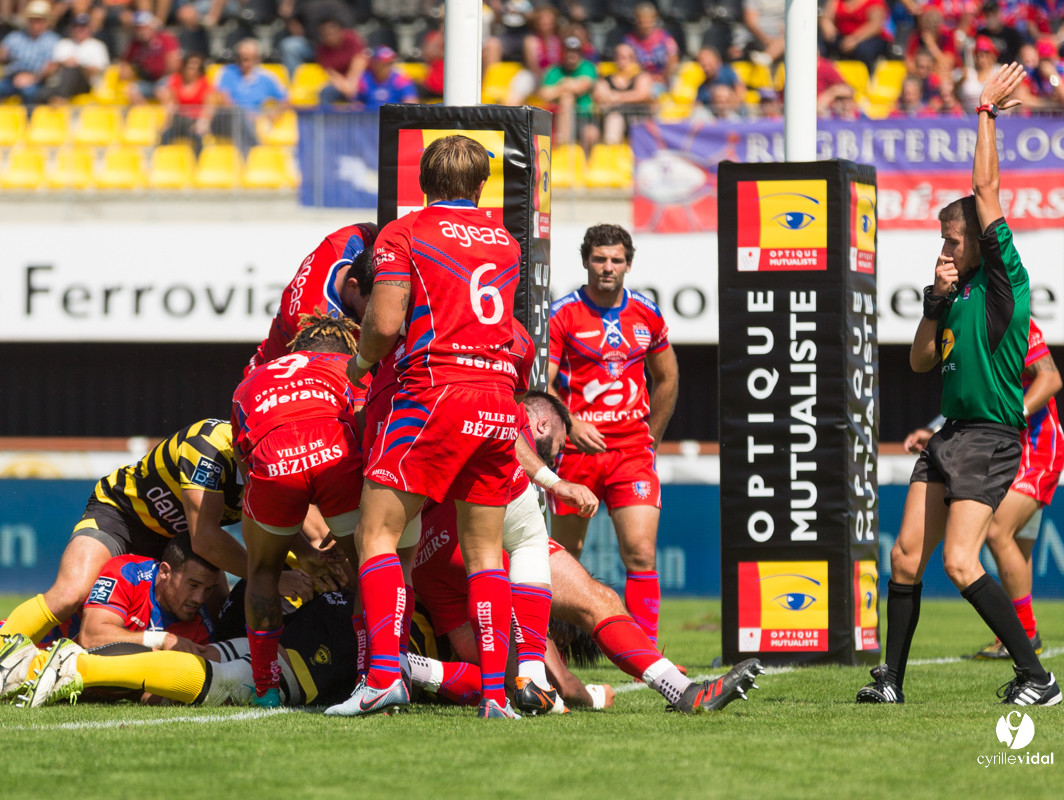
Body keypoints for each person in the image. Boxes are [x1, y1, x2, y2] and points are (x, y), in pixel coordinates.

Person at [857, 61, 1063, 708]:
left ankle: (1038, 677)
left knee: (962, 563)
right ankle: (891, 681)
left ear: (979, 239)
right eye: (941, 240)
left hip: (992, 438)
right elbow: (921, 362)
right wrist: (932, 303)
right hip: (951, 437)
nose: (943, 248)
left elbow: (987, 187)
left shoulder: (1004, 279)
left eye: (951, 240)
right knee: (906, 558)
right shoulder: (952, 293)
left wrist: (984, 113)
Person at [327, 135, 524, 719]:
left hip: (435, 392)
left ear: (422, 182)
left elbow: (385, 324)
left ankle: (383, 677)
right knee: (486, 550)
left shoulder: (405, 231)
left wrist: (359, 367)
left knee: (377, 535)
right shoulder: (506, 242)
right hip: (497, 398)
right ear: (483, 185)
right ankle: (496, 695)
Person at [0, 419, 244, 706]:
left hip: (178, 539)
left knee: (222, 621)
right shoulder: (209, 445)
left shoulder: (274, 466)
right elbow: (206, 538)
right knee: (69, 595)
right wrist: (268, 575)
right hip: (123, 516)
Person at [410, 507, 765, 714]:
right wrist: (597, 695)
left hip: (424, 550)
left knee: (494, 675)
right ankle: (683, 690)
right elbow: (564, 686)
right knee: (599, 601)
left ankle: (395, 666)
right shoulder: (510, 407)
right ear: (546, 424)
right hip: (481, 521)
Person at [547, 224, 678, 648]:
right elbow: (541, 386)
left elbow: (668, 378)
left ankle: (646, 654)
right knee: (565, 559)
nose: (608, 267)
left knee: (640, 551)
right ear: (586, 261)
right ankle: (554, 654)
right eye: (600, 259)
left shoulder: (647, 312)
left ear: (628, 264)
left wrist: (650, 439)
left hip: (631, 453)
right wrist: (570, 424)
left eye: (616, 260)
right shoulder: (563, 314)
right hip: (575, 456)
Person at [903, 317, 1064, 659]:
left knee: (996, 532)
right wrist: (933, 431)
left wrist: (1012, 413)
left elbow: (1050, 378)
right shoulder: (966, 322)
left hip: (1037, 448)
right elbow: (971, 397)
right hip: (997, 449)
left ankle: (1026, 636)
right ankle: (1013, 637)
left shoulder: (1016, 319)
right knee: (1015, 549)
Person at [231, 312, 367, 707]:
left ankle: (265, 688)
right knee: (369, 568)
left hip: (273, 461)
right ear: (346, 348)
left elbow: (247, 464)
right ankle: (370, 676)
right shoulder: (350, 367)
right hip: (336, 454)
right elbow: (366, 430)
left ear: (297, 347)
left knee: (262, 571)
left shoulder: (250, 380)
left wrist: (301, 548)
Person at [15, 535, 253, 708]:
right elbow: (91, 637)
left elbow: (149, 695)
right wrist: (162, 640)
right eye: (192, 585)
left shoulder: (200, 627)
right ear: (165, 572)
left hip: (78, 689)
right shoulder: (129, 573)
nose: (199, 598)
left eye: (208, 589)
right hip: (26, 658)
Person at [246, 221, 377, 374]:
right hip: (273, 380)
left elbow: (384, 233)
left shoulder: (350, 240)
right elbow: (337, 377)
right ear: (352, 286)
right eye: (372, 304)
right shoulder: (317, 321)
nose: (381, 310)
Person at [212, 38, 288, 154]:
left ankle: (250, 154)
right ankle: (256, 147)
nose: (242, 63)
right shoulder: (226, 72)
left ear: (257, 59)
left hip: (255, 121)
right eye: (239, 58)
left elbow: (285, 100)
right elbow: (224, 100)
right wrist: (246, 114)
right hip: (228, 121)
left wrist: (274, 113)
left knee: (246, 125)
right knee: (239, 115)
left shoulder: (267, 77)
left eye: (247, 59)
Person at [0, 0, 61, 105]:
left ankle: (29, 120)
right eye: (32, 19)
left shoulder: (52, 40)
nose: (35, 23)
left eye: (39, 20)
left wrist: (33, 77)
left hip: (39, 80)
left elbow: (52, 67)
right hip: (13, 77)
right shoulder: (15, 37)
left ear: (46, 22)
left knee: (30, 92)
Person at [538, 36, 598, 146]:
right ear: (563, 53)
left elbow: (582, 87)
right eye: (569, 51)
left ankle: (585, 162)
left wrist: (559, 86)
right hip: (557, 119)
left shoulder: (588, 67)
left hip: (584, 117)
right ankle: (564, 145)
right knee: (567, 97)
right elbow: (544, 94)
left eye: (575, 52)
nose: (572, 55)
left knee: (591, 133)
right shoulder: (554, 70)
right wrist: (564, 86)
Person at [38, 14, 110, 105]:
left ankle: (60, 98)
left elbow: (100, 70)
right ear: (71, 28)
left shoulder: (97, 46)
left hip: (87, 86)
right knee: (41, 92)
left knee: (72, 70)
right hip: (61, 81)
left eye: (83, 26)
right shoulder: (63, 44)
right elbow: (52, 67)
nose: (79, 29)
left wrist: (79, 65)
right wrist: (62, 63)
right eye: (76, 26)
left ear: (89, 28)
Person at [592, 42, 654, 145]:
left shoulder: (642, 76)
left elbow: (642, 94)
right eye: (620, 57)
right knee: (615, 118)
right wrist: (630, 96)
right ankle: (612, 151)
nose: (624, 60)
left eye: (629, 57)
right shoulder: (606, 79)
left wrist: (615, 96)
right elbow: (599, 96)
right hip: (612, 122)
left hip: (638, 122)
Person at [159, 52, 216, 153]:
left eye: (195, 67)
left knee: (199, 138)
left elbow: (209, 106)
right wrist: (167, 121)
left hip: (195, 122)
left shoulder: (204, 83)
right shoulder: (177, 80)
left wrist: (203, 122)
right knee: (164, 135)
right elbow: (171, 102)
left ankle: (197, 165)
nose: (191, 70)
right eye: (189, 67)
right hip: (178, 121)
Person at [621, 2, 680, 96]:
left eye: (648, 20)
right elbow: (626, 63)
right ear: (636, 20)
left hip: (663, 80)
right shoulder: (629, 40)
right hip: (639, 81)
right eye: (642, 20)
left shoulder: (665, 38)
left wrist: (664, 76)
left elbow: (673, 60)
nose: (645, 24)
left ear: (654, 20)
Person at [121, 12, 180, 104]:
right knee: (131, 90)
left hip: (164, 78)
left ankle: (168, 117)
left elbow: (174, 65)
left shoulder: (165, 39)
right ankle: (145, 116)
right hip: (147, 81)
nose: (141, 31)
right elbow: (125, 63)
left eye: (144, 28)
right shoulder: (134, 44)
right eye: (138, 29)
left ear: (152, 27)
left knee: (162, 91)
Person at [819, 0, 891, 72]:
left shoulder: (874, 2)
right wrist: (826, 23)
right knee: (823, 42)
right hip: (843, 36)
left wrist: (854, 39)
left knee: (863, 50)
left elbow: (875, 26)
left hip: (869, 38)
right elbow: (826, 17)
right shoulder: (836, 1)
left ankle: (868, 76)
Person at [315, 14, 369, 105]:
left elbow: (360, 59)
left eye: (332, 33)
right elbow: (331, 73)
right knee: (326, 92)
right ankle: (327, 118)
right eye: (326, 35)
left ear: (340, 31)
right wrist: (345, 87)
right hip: (342, 85)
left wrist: (352, 82)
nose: (330, 37)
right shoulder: (322, 50)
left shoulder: (351, 38)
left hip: (362, 78)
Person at [357, 46, 420, 111]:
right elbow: (358, 102)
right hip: (369, 118)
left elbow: (411, 103)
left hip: (395, 117)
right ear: (374, 63)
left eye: (390, 63)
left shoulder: (400, 79)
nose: (387, 67)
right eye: (383, 64)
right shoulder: (366, 78)